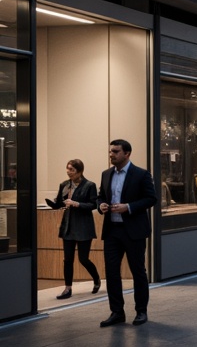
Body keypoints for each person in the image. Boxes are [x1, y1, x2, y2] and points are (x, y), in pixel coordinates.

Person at [97, 139, 158, 327]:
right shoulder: (106, 174)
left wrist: (128, 207)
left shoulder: (141, 174)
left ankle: (141, 311)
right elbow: (100, 196)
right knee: (112, 273)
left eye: (116, 151)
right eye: (110, 151)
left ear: (127, 154)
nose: (111, 154)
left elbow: (151, 199)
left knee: (138, 272)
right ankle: (117, 312)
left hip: (134, 231)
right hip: (112, 231)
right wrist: (101, 205)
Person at [46, 159, 100, 299]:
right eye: (67, 169)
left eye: (72, 170)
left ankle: (96, 279)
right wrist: (53, 204)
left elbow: (94, 205)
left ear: (80, 171)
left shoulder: (89, 185)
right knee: (67, 259)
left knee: (83, 259)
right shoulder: (64, 185)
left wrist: (76, 204)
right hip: (68, 225)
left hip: (83, 226)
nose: (68, 172)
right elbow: (60, 203)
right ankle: (67, 288)